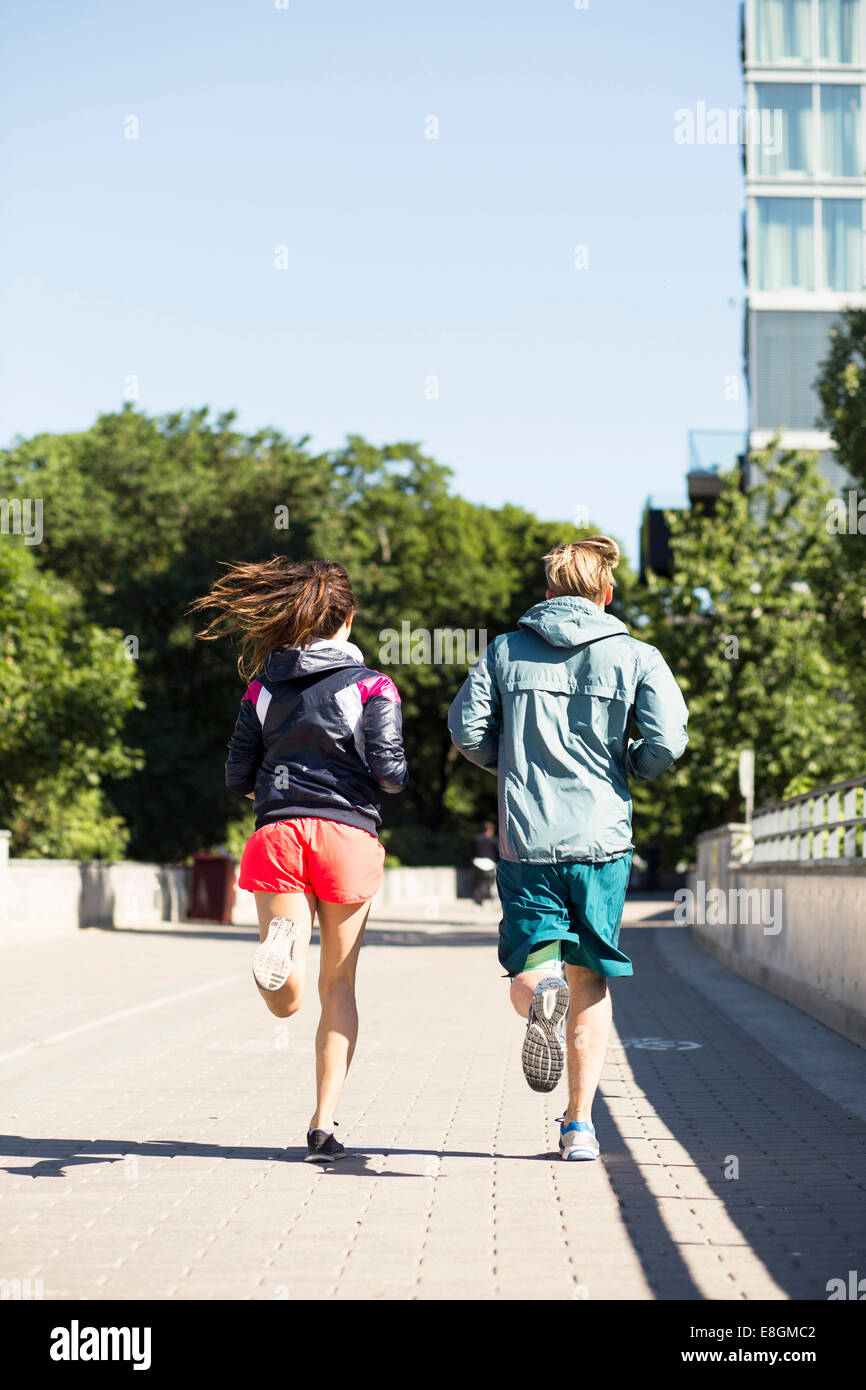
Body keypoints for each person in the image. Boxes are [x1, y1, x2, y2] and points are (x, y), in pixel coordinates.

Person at [447, 537, 688, 1162]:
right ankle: (579, 1127)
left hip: (526, 836)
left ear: (548, 593)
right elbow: (668, 740)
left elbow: (465, 728)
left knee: (533, 968)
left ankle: (539, 997)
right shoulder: (636, 655)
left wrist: (510, 765)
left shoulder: (504, 650)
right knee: (593, 981)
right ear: (606, 594)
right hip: (602, 842)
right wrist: (627, 764)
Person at [190, 558, 408, 1163]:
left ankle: (280, 947)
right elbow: (390, 775)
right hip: (347, 837)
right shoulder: (373, 686)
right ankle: (323, 1122)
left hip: (279, 833)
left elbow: (238, 775)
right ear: (348, 618)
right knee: (338, 986)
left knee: (286, 999)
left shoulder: (261, 687)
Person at [471, 819, 499, 905]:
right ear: (491, 830)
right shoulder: (493, 840)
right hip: (489, 864)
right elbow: (497, 852)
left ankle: (477, 903)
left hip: (477, 863)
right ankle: (493, 902)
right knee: (490, 884)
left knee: (478, 884)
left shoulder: (476, 839)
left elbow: (473, 851)